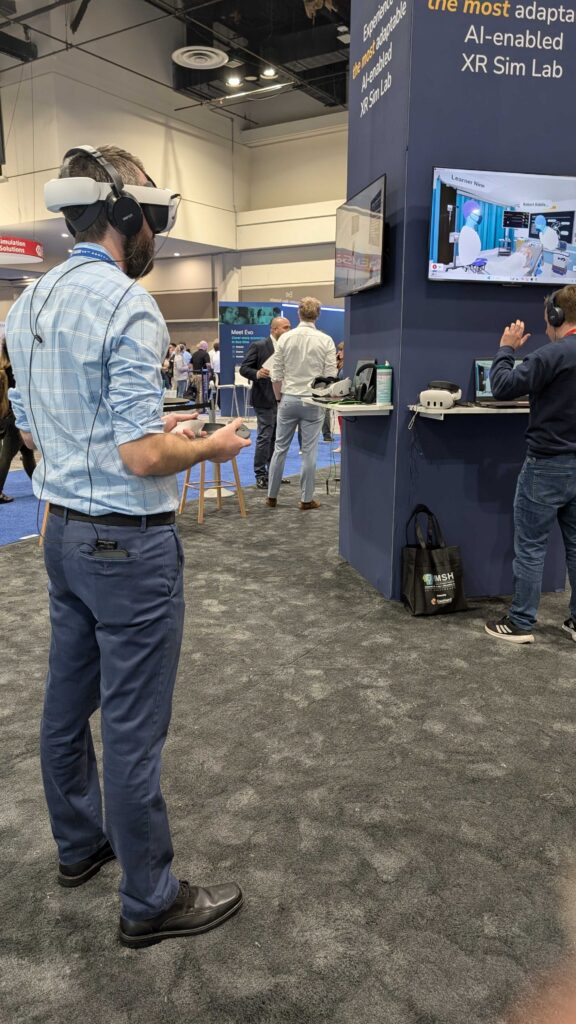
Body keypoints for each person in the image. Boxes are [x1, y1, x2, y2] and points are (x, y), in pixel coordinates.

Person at [5, 143, 250, 947]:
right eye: (151, 216)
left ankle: (79, 846)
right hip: (126, 549)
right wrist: (207, 446)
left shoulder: (26, 304)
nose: (154, 232)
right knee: (134, 728)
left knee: (66, 704)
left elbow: (40, 429)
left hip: (61, 534)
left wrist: (157, 424)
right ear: (121, 214)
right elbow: (142, 458)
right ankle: (150, 899)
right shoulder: (128, 306)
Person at [484, 287, 576, 644]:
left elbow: (501, 386)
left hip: (547, 465)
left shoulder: (552, 354)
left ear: (556, 316)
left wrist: (506, 348)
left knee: (531, 548)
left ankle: (521, 622)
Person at [266, 296, 337, 510]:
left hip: (288, 398)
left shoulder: (285, 339)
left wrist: (279, 399)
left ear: (298, 313)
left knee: (280, 449)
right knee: (309, 451)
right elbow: (330, 376)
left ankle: (271, 497)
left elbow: (276, 374)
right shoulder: (326, 340)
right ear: (318, 315)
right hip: (312, 401)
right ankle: (306, 499)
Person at [239, 317, 291, 488]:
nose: (289, 330)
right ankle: (260, 474)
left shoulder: (289, 346)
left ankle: (273, 473)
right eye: (285, 327)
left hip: (283, 398)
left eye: (289, 327)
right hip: (264, 398)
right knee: (265, 436)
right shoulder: (259, 346)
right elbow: (244, 368)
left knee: (277, 437)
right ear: (274, 329)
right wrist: (257, 373)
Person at [0, 345, 36, 502]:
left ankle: (39, 484)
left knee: (27, 452)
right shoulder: (16, 370)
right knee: (6, 456)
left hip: (6, 416)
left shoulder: (3, 368)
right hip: (15, 417)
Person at [189, 340, 211, 406]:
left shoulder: (194, 354)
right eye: (206, 346)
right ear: (204, 347)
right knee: (202, 391)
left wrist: (192, 373)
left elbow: (190, 364)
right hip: (202, 375)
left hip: (195, 374)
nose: (207, 348)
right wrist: (209, 372)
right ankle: (201, 407)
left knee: (197, 391)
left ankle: (197, 406)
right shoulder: (205, 354)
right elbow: (208, 365)